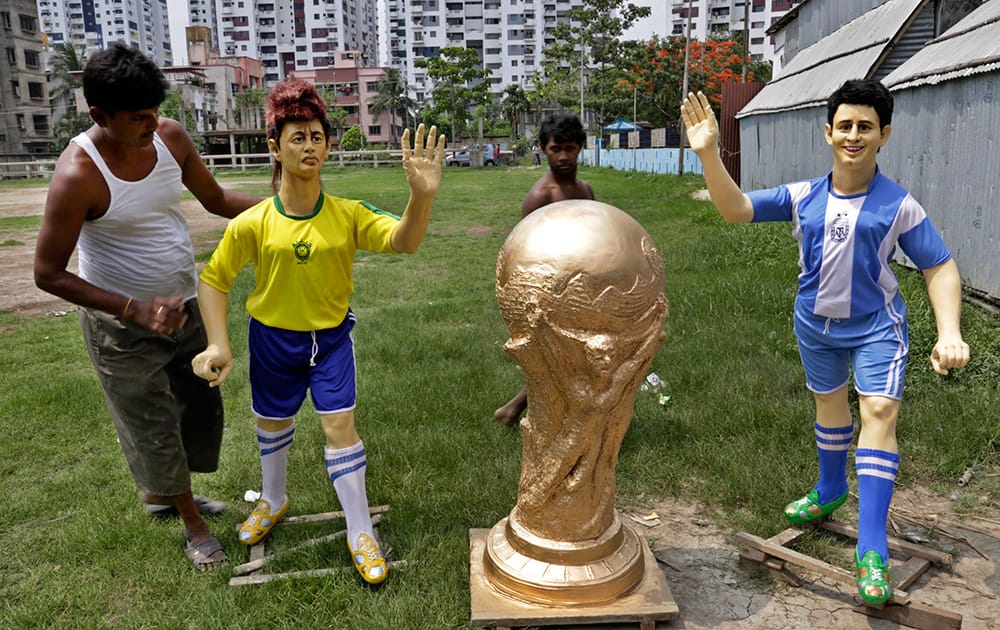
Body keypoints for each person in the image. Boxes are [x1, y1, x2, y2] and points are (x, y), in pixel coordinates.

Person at [680, 80, 970, 606]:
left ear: (884, 134)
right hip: (815, 326)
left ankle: (872, 547)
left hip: (877, 329)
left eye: (865, 127)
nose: (853, 136)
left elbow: (939, 265)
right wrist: (707, 155)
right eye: (844, 126)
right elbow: (736, 209)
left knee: (878, 410)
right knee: (830, 406)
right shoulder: (803, 197)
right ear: (827, 132)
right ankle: (831, 487)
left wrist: (949, 331)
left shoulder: (899, 205)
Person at [191, 78, 446, 585]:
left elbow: (405, 240)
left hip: (329, 341)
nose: (309, 146)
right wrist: (218, 342)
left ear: (328, 145)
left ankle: (359, 529)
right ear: (274, 147)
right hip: (271, 340)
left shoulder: (347, 215)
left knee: (339, 427)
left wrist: (421, 197)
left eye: (316, 136)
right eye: (297, 137)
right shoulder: (254, 222)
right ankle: (274, 498)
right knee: (272, 424)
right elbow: (213, 279)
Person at [33, 43, 261, 571]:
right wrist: (132, 309)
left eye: (155, 111)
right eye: (138, 117)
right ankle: (192, 523)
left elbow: (217, 200)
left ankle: (163, 494)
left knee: (199, 408)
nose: (152, 124)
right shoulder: (77, 175)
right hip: (122, 325)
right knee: (153, 423)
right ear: (99, 115)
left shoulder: (170, 138)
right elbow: (47, 274)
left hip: (185, 307)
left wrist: (289, 209)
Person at [493, 112, 595, 427]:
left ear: (581, 146)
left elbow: (595, 236)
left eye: (570, 148)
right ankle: (518, 409)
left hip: (579, 285)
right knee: (562, 358)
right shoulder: (541, 196)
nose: (563, 156)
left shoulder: (586, 191)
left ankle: (519, 408)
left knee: (577, 357)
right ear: (543, 148)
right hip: (547, 288)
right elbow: (523, 248)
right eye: (555, 149)